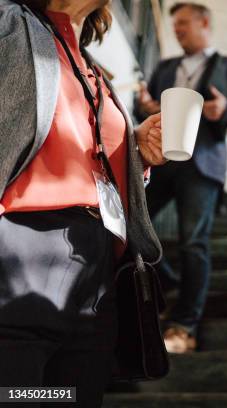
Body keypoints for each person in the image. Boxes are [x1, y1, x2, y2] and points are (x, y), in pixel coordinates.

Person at [0, 0, 165, 406]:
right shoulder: (9, 22)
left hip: (96, 263)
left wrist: (135, 150)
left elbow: (87, 158)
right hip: (23, 245)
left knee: (71, 396)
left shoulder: (89, 64)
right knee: (18, 394)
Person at [135, 2, 227, 353]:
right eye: (175, 26)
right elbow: (150, 105)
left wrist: (224, 109)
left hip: (203, 164)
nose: (178, 30)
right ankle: (169, 283)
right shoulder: (166, 67)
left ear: (204, 23)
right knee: (129, 226)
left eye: (184, 24)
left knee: (193, 243)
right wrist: (146, 107)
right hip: (159, 162)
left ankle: (184, 326)